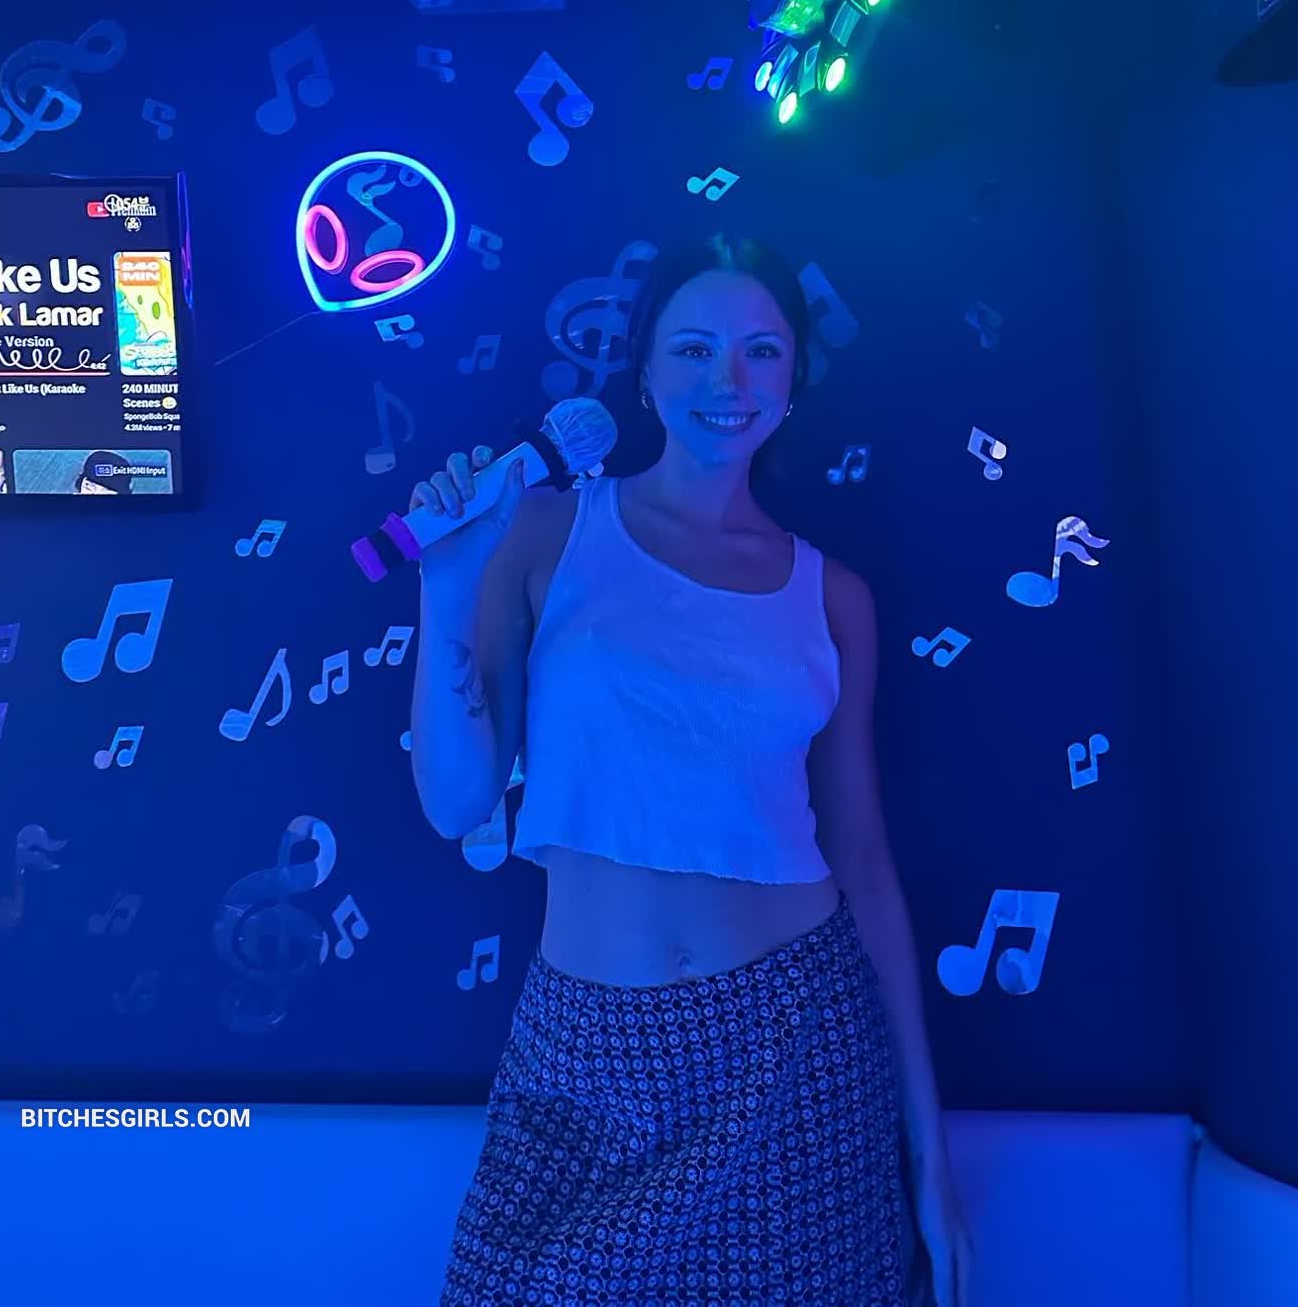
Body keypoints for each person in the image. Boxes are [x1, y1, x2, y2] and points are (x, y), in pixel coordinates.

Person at [413, 234, 970, 1306]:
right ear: (645, 374)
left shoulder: (832, 596)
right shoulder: (545, 532)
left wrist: (929, 1159)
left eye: (761, 351)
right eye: (695, 348)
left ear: (792, 381)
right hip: (582, 1055)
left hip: (797, 1052)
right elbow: (457, 802)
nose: (729, 380)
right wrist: (444, 587)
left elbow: (864, 864)